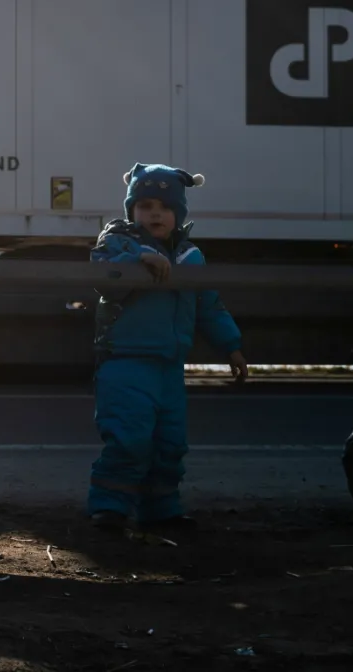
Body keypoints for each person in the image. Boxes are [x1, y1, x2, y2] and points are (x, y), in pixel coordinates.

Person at [86, 163, 248, 534]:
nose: (155, 213)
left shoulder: (191, 257)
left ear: (179, 214)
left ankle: (161, 510)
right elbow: (105, 280)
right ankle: (108, 509)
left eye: (165, 206)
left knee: (169, 444)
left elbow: (209, 304)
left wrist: (231, 346)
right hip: (125, 361)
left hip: (170, 367)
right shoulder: (118, 243)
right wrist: (138, 261)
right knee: (129, 438)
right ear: (132, 212)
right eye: (145, 205)